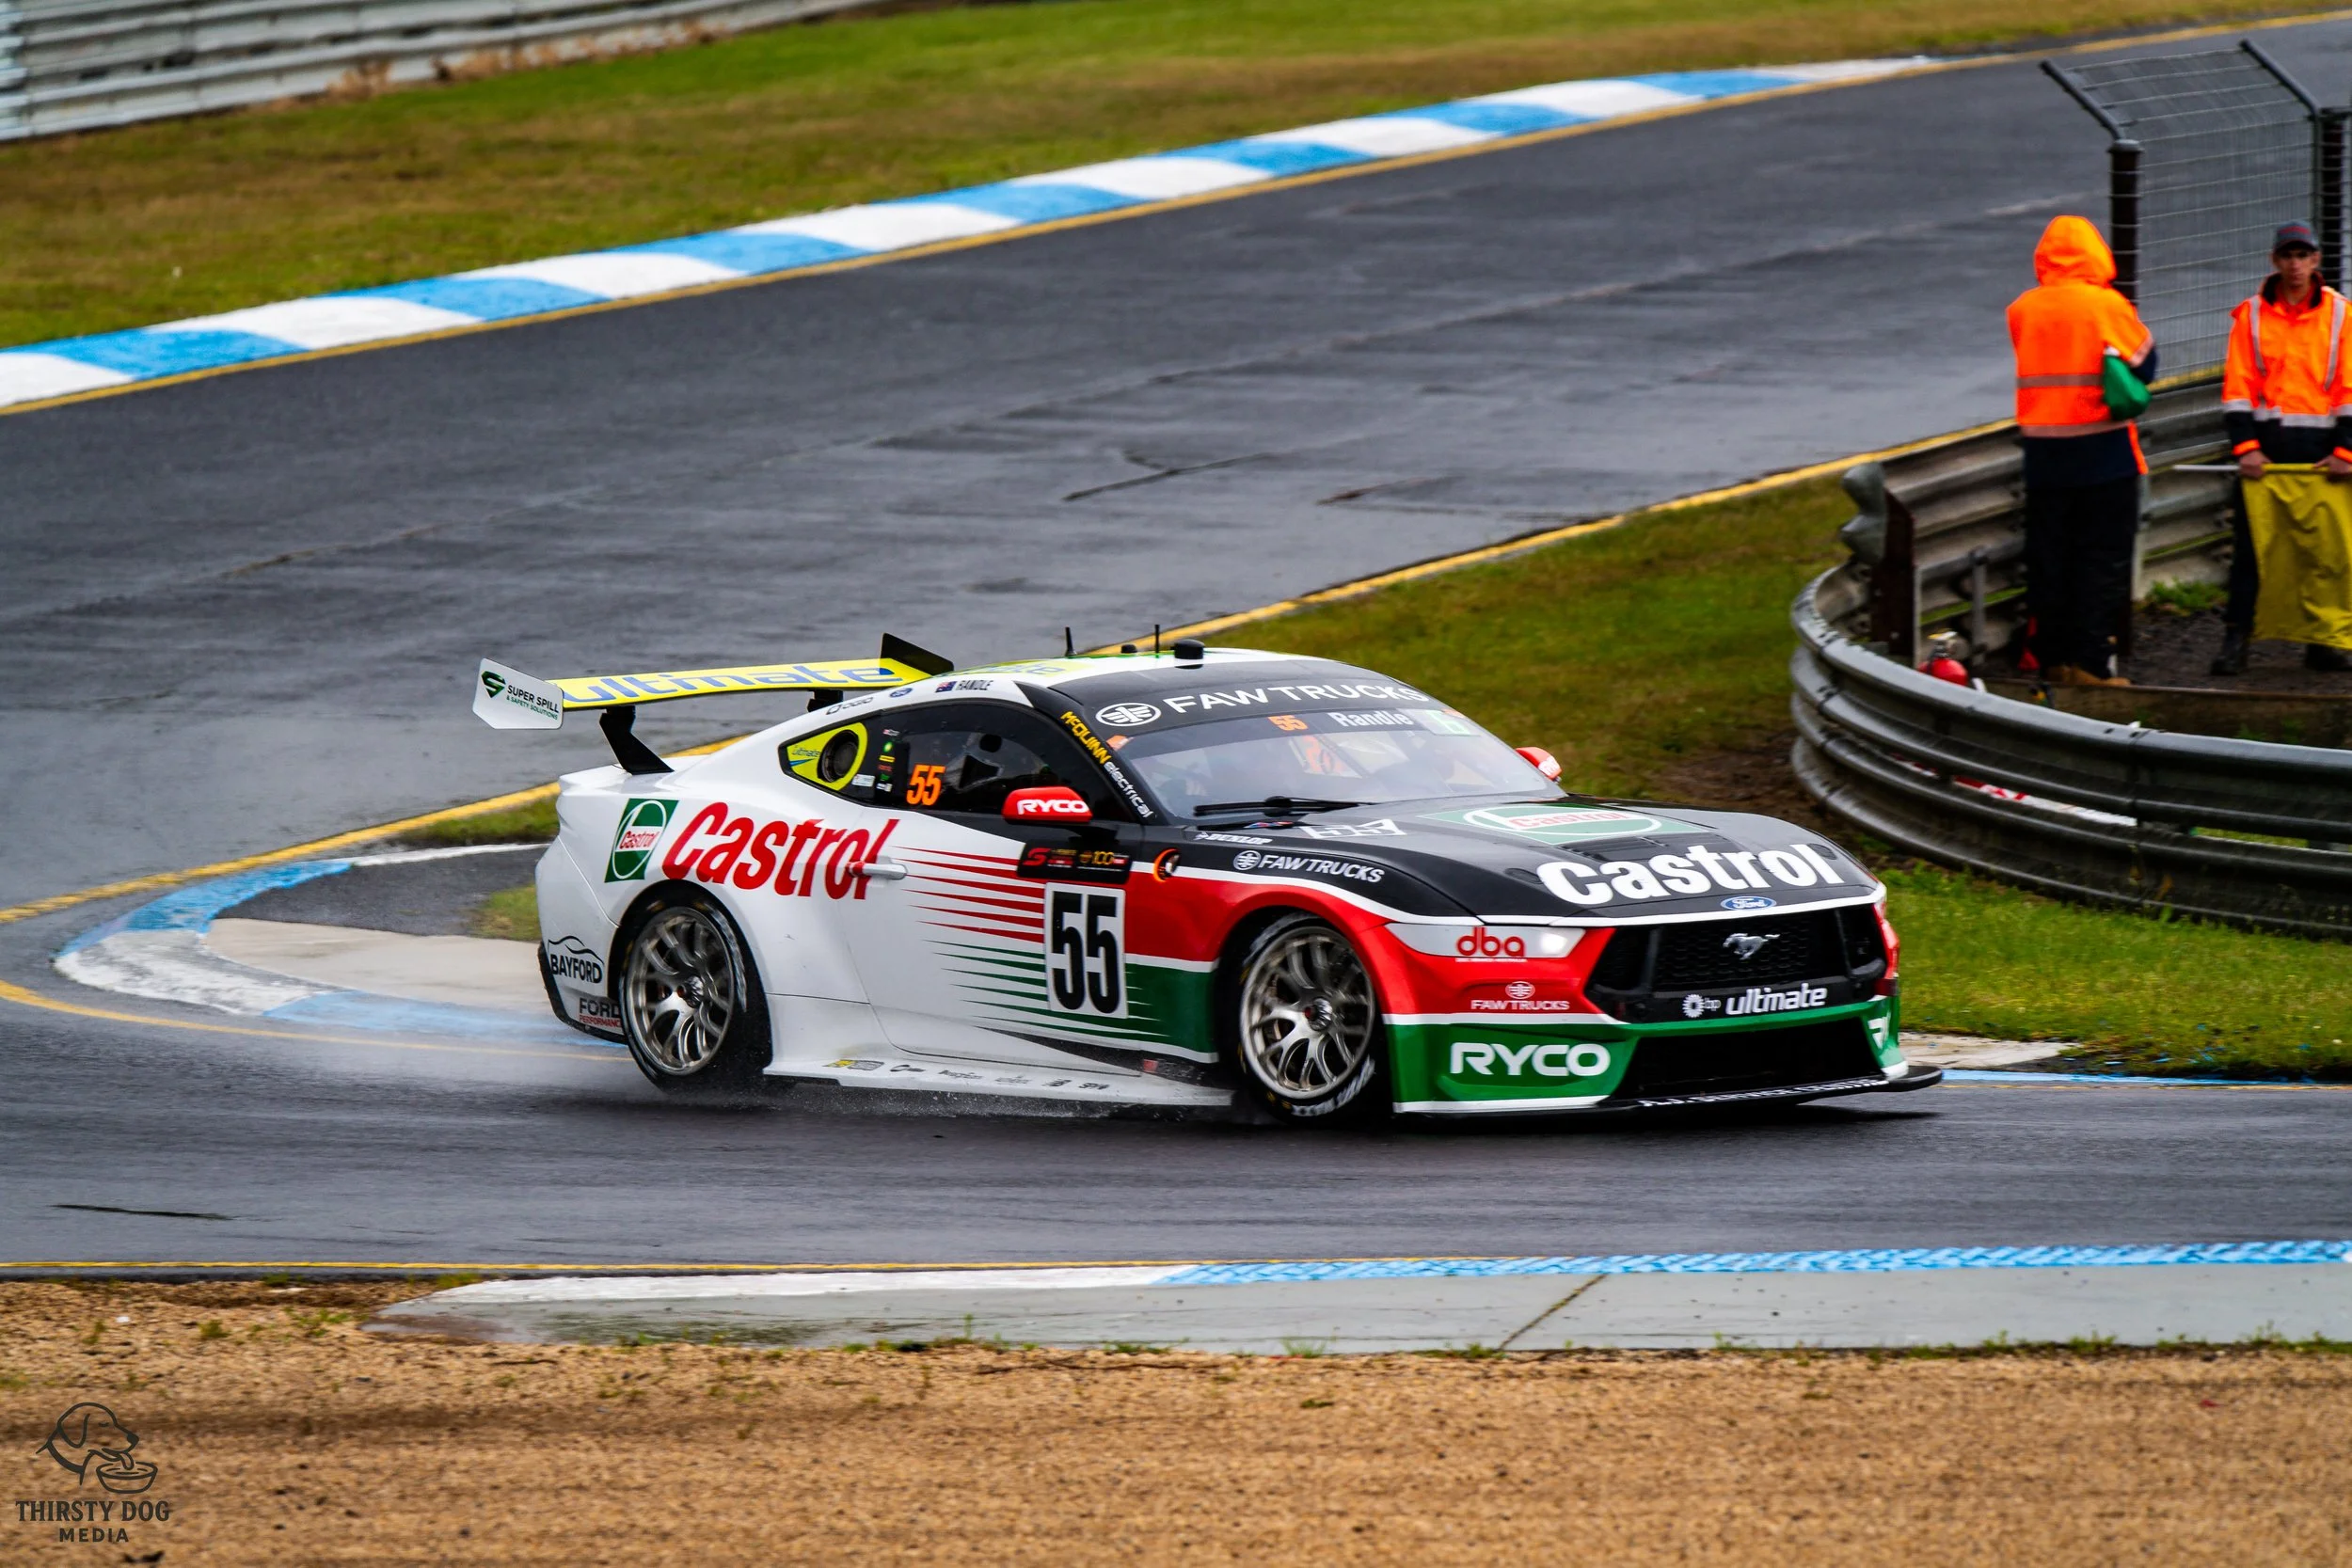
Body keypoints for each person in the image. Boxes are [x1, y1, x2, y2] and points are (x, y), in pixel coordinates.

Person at [2007, 214, 2157, 686]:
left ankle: (2053, 659)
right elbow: (2145, 365)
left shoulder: (2022, 309)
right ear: (2096, 253)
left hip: (2044, 457)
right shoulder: (2106, 305)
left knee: (2050, 560)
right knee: (2101, 560)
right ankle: (2092, 665)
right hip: (2104, 453)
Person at [2214, 220, 2352, 675]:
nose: (2295, 265)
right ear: (2275, 261)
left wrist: (2345, 452)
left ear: (2316, 261)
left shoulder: (2342, 315)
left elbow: (2349, 389)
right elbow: (2238, 388)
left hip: (2322, 452)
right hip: (2267, 453)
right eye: (2288, 256)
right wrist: (2246, 449)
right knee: (2253, 551)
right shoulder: (2250, 316)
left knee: (2325, 553)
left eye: (2303, 255)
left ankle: (2322, 642)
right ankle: (2238, 638)